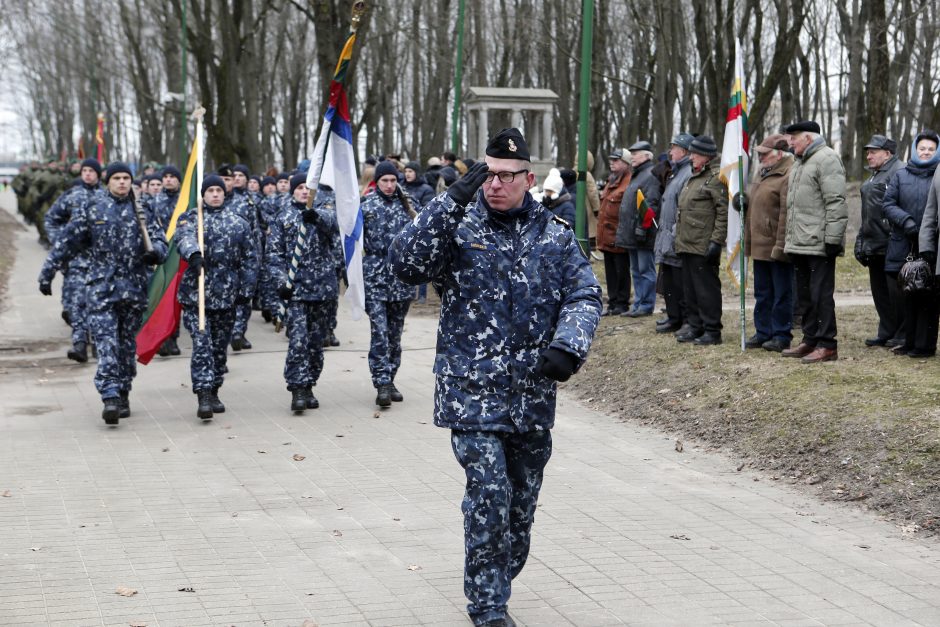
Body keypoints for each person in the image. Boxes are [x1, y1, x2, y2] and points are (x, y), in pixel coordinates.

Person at [390, 128, 602, 627]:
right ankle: (487, 607)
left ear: (529, 179)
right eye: (488, 175)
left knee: (519, 511)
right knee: (488, 495)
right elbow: (404, 263)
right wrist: (449, 201)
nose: (496, 185)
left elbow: (586, 295)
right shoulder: (458, 227)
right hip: (471, 393)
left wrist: (568, 345)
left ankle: (496, 580)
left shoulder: (553, 234)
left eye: (507, 176)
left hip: (531, 393)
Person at [38, 162, 168, 424]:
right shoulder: (93, 207)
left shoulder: (142, 208)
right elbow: (67, 241)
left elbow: (160, 240)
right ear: (107, 181)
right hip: (101, 288)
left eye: (126, 178)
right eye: (117, 178)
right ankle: (109, 394)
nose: (122, 182)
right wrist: (47, 272)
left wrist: (156, 253)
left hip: (133, 288)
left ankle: (123, 390)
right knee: (106, 342)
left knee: (125, 344)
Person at [174, 175, 258, 419]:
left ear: (224, 193)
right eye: (209, 190)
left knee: (219, 348)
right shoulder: (191, 218)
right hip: (196, 296)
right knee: (202, 344)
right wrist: (193, 254)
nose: (214, 194)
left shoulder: (238, 222)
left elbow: (250, 259)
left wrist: (246, 290)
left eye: (218, 190)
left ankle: (215, 388)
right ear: (203, 194)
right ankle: (203, 393)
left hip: (226, 296)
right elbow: (183, 237)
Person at [267, 174, 339, 411]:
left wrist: (316, 217)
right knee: (298, 341)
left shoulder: (324, 212)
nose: (304, 192)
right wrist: (281, 283)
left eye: (308, 188)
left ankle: (309, 384)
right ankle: (297, 387)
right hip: (296, 289)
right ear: (292, 191)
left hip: (323, 289)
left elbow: (337, 226)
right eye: (299, 188)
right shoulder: (283, 217)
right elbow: (274, 254)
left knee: (317, 343)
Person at [781, 121, 848, 363]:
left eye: (794, 138)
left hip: (819, 242)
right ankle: (810, 340)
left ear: (808, 138)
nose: (790, 143)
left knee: (820, 294)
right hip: (799, 241)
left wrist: (832, 238)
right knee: (805, 295)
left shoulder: (827, 158)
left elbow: (836, 201)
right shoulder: (800, 162)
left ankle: (828, 344)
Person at [360, 160, 416, 407]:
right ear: (377, 182)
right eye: (385, 180)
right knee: (380, 333)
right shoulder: (366, 206)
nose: (390, 185)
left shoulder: (408, 205)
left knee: (395, 335)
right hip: (374, 277)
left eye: (393, 180)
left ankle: (391, 378)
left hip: (401, 279)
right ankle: (381, 382)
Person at [884, 130, 940, 357]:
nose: (926, 152)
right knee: (907, 291)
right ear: (915, 150)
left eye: (931, 149)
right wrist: (905, 220)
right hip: (905, 242)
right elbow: (888, 203)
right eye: (922, 148)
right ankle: (907, 340)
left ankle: (924, 344)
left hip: (931, 243)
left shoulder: (937, 173)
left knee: (928, 294)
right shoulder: (901, 175)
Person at [43, 158, 103, 362]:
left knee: (98, 302)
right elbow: (51, 219)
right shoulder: (72, 196)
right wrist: (60, 240)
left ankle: (97, 342)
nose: (87, 174)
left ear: (98, 174)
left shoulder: (106, 196)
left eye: (91, 171)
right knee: (77, 302)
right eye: (84, 170)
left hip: (100, 260)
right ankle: (79, 343)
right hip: (76, 260)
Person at [741, 134, 795, 352]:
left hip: (776, 246)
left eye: (765, 154)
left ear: (780, 154)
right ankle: (763, 331)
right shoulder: (762, 174)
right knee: (762, 292)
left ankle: (781, 334)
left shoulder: (787, 175)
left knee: (781, 292)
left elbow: (785, 214)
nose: (761, 157)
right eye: (760, 154)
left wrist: (780, 246)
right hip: (760, 245)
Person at [674, 135, 727, 345]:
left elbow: (723, 212)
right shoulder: (693, 177)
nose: (691, 158)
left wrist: (716, 241)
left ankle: (712, 330)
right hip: (687, 242)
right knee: (691, 290)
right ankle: (695, 327)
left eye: (695, 154)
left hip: (703, 245)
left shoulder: (716, 178)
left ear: (706, 156)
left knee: (706, 291)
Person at [856, 135, 905, 347]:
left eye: (873, 151)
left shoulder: (899, 172)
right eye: (868, 152)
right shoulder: (874, 176)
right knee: (880, 292)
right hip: (873, 243)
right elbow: (868, 212)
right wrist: (861, 239)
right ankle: (886, 331)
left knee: (897, 293)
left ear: (887, 153)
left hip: (891, 242)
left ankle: (902, 334)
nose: (869, 155)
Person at [615, 141, 662, 317]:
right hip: (633, 233)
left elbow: (650, 205)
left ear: (646, 156)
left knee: (645, 270)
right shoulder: (638, 175)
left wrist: (643, 228)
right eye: (631, 153)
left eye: (636, 153)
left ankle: (646, 304)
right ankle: (638, 303)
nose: (632, 156)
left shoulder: (650, 175)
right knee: (636, 270)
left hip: (643, 233)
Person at [654, 133, 694, 334]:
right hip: (667, 234)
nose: (670, 152)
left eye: (674, 148)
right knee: (668, 279)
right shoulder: (675, 172)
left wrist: (674, 233)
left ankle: (686, 319)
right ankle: (674, 317)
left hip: (675, 235)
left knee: (680, 282)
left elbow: (683, 207)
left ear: (685, 151)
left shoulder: (687, 173)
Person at [596, 148, 632, 315]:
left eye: (616, 160)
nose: (612, 162)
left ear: (626, 163)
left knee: (621, 271)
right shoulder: (612, 181)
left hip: (619, 235)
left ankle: (621, 303)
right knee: (611, 272)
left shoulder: (628, 182)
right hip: (608, 235)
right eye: (611, 160)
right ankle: (613, 302)